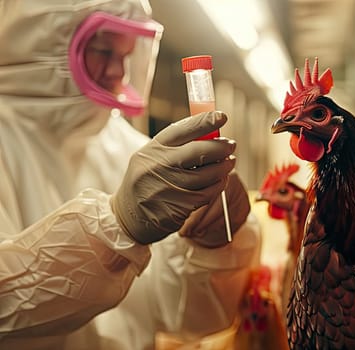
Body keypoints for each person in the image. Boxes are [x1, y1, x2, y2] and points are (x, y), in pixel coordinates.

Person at [0, 0, 262, 349]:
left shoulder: (127, 147)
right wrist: (117, 225)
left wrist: (209, 247)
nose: (119, 73)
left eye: (126, 55)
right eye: (103, 50)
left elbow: (181, 317)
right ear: (42, 43)